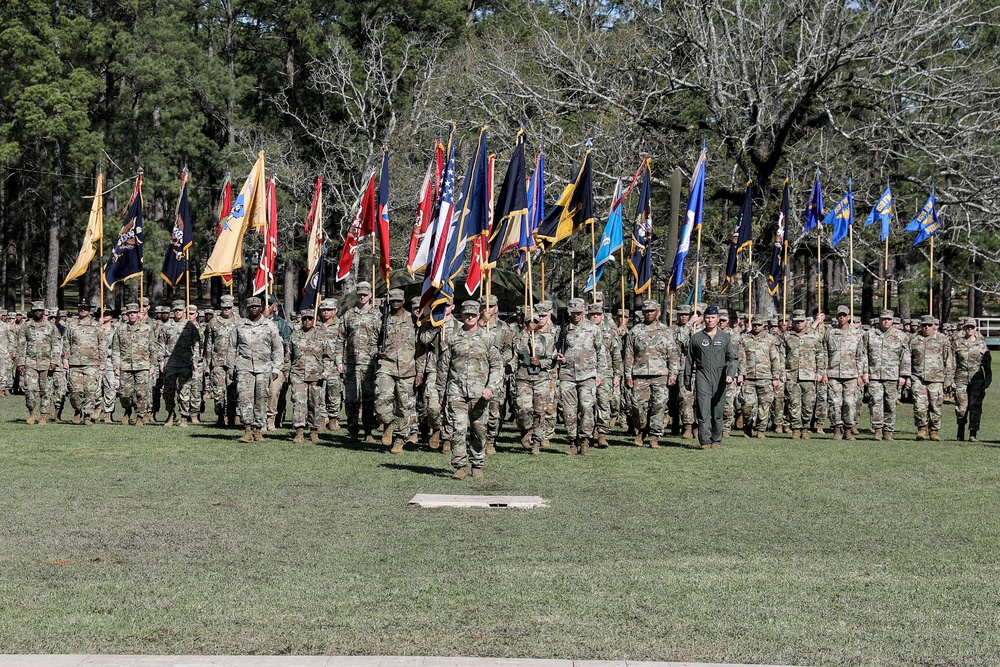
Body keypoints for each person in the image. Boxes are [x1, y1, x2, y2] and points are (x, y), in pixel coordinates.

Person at [437, 300, 502, 479]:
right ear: (462, 315)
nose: (470, 317)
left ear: (478, 315)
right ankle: (459, 466)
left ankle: (477, 464)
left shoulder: (488, 339)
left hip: (480, 394)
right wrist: (441, 392)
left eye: (473, 314)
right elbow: (443, 367)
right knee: (458, 429)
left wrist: (490, 387)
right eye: (467, 314)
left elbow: (497, 367)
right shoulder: (452, 339)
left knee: (479, 431)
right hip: (456, 391)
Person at [555, 298, 608, 455]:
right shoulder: (563, 330)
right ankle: (572, 441)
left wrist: (600, 374)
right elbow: (554, 349)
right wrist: (558, 357)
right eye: (573, 313)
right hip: (567, 374)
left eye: (579, 313)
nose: (576, 316)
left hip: (588, 374)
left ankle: (585, 441)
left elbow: (601, 352)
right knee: (568, 411)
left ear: (584, 311)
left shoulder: (593, 329)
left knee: (586, 408)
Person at [624, 299, 679, 448]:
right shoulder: (635, 331)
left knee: (659, 405)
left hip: (660, 374)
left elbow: (673, 355)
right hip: (639, 374)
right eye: (646, 311)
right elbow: (629, 355)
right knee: (638, 406)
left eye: (652, 311)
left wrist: (673, 375)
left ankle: (655, 435)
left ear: (658, 313)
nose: (649, 313)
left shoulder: (666, 331)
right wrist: (628, 376)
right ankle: (641, 430)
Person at [228, 296, 284, 442]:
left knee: (261, 398)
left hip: (264, 368)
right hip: (244, 367)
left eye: (256, 306)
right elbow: (232, 348)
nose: (254, 308)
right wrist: (230, 368)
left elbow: (278, 348)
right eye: (251, 306)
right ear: (247, 308)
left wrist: (276, 368)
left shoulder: (270, 326)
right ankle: (247, 430)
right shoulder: (239, 326)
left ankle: (258, 430)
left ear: (261, 308)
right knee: (245, 399)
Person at [684, 305, 739, 449]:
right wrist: (687, 379)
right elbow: (689, 360)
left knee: (718, 411)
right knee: (703, 410)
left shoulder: (726, 338)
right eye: (707, 317)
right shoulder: (696, 338)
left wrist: (730, 374)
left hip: (720, 377)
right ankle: (705, 441)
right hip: (702, 376)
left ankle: (716, 440)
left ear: (718, 319)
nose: (710, 320)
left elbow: (733, 358)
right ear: (703, 318)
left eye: (713, 318)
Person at [375, 289, 418, 453]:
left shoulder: (412, 320)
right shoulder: (381, 319)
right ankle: (387, 423)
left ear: (403, 301)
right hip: (386, 365)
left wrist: (419, 372)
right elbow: (372, 341)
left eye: (398, 300)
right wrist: (377, 351)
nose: (395, 303)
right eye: (392, 300)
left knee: (403, 407)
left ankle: (400, 439)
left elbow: (420, 346)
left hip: (407, 369)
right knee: (381, 400)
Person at [512, 307, 558, 455]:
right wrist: (526, 332)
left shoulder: (547, 339)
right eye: (530, 321)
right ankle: (525, 431)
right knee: (524, 410)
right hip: (523, 378)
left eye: (536, 321)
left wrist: (541, 363)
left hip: (541, 379)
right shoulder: (520, 336)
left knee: (540, 411)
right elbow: (518, 349)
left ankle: (537, 442)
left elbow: (552, 359)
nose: (533, 323)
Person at [337, 281, 379, 442]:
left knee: (369, 398)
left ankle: (368, 432)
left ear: (370, 295)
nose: (362, 297)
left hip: (370, 363)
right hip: (351, 363)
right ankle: (353, 431)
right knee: (351, 399)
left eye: (365, 294)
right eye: (360, 294)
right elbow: (340, 339)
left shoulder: (377, 315)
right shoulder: (349, 315)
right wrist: (338, 360)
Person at [860, 309, 910, 440]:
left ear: (892, 320)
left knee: (890, 404)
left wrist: (903, 375)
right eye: (883, 319)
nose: (886, 321)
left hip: (892, 376)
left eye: (888, 319)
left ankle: (888, 430)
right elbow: (863, 354)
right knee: (875, 402)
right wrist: (864, 372)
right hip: (874, 375)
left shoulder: (900, 336)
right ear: (879, 320)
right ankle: (877, 429)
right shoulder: (870, 334)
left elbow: (905, 356)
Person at [288, 309, 335, 442]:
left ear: (314, 320)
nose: (307, 321)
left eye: (310, 318)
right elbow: (288, 355)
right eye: (304, 319)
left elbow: (329, 357)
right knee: (299, 403)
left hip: (316, 376)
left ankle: (314, 431)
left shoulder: (321, 336)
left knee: (315, 404)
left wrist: (325, 373)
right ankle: (299, 431)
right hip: (298, 374)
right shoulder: (294, 336)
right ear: (301, 320)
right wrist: (287, 373)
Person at [112, 302, 160, 425]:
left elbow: (153, 348)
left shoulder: (146, 329)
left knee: (141, 393)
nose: (132, 315)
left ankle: (140, 416)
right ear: (127, 315)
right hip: (125, 366)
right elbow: (116, 349)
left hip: (143, 366)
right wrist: (116, 366)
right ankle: (128, 410)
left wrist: (153, 365)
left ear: (139, 314)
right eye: (130, 313)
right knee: (124, 394)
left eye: (134, 313)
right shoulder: (120, 329)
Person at [822, 305, 866, 440]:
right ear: (836, 317)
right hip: (833, 374)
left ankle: (848, 429)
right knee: (835, 403)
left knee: (849, 403)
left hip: (851, 374)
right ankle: (836, 428)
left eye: (844, 315)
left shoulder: (857, 334)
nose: (842, 317)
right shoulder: (829, 333)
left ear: (848, 317)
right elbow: (824, 354)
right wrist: (823, 372)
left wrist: (860, 374)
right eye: (839, 315)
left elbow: (860, 355)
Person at [15, 300, 63, 424]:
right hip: (30, 362)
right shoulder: (26, 326)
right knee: (29, 389)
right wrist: (20, 363)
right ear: (32, 312)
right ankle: (32, 412)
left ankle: (44, 415)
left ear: (43, 312)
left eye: (40, 310)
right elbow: (21, 345)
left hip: (47, 363)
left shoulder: (51, 326)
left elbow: (56, 345)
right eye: (35, 310)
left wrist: (54, 361)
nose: (38, 312)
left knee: (46, 390)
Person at [61, 300, 107, 425]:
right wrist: (65, 359)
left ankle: (87, 415)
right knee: (75, 391)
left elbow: (102, 344)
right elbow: (66, 343)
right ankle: (77, 409)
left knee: (90, 390)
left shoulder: (96, 325)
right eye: (81, 307)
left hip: (92, 363)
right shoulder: (71, 325)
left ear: (89, 310)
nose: (83, 310)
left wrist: (103, 361)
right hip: (75, 362)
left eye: (85, 308)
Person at [783, 309, 824, 439]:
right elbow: (781, 355)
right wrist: (782, 372)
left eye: (801, 321)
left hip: (809, 375)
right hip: (792, 374)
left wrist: (820, 372)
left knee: (808, 404)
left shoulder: (814, 335)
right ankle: (795, 428)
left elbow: (820, 354)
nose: (799, 324)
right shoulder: (787, 335)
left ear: (805, 321)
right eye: (796, 321)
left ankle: (805, 427)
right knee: (793, 403)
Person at [159, 300, 202, 427]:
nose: (178, 312)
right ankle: (170, 414)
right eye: (175, 310)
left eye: (180, 310)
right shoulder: (166, 326)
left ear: (184, 311)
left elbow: (196, 344)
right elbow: (161, 345)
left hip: (185, 363)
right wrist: (161, 362)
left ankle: (184, 416)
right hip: (170, 363)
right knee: (168, 391)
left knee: (184, 391)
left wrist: (195, 360)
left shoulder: (190, 326)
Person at [739, 315, 782, 438]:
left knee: (764, 406)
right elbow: (741, 358)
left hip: (766, 377)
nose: (757, 326)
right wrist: (741, 374)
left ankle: (760, 430)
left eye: (759, 324)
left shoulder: (770, 339)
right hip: (748, 377)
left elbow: (775, 359)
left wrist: (775, 377)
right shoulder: (744, 339)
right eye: (755, 324)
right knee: (747, 404)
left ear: (764, 325)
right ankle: (747, 428)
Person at [953, 317, 991, 442]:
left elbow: (987, 364)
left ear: (976, 329)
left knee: (975, 407)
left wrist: (988, 379)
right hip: (961, 378)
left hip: (977, 379)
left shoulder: (981, 344)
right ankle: (960, 429)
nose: (969, 329)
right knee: (962, 407)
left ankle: (973, 433)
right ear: (964, 328)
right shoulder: (957, 343)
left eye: (972, 327)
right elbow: (951, 362)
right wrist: (950, 378)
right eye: (967, 327)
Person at [206, 294, 240, 426]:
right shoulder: (213, 322)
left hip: (234, 362)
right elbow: (209, 344)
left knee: (232, 391)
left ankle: (232, 418)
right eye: (224, 307)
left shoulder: (239, 322)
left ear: (233, 307)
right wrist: (207, 363)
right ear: (220, 306)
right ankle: (220, 417)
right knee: (219, 391)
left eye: (229, 307)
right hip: (218, 362)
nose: (226, 310)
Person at [316, 298, 344, 430]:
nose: (326, 312)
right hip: (319, 365)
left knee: (334, 392)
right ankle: (322, 417)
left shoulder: (341, 325)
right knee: (319, 392)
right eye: (323, 310)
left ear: (335, 311)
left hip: (335, 365)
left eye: (329, 310)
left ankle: (333, 418)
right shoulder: (316, 326)